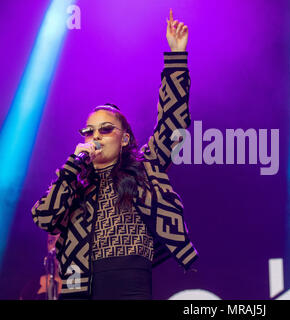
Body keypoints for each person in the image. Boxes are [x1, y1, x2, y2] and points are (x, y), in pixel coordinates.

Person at [31, 9, 198, 300]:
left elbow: (173, 122)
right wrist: (72, 167)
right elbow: (45, 217)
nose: (95, 136)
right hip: (78, 286)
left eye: (106, 129)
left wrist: (176, 58)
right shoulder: (76, 180)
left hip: (130, 283)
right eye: (89, 131)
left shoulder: (146, 167)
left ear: (124, 139)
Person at [19, 234, 62, 300]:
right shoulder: (33, 285)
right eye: (51, 241)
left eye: (61, 240)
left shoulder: (76, 281)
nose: (54, 246)